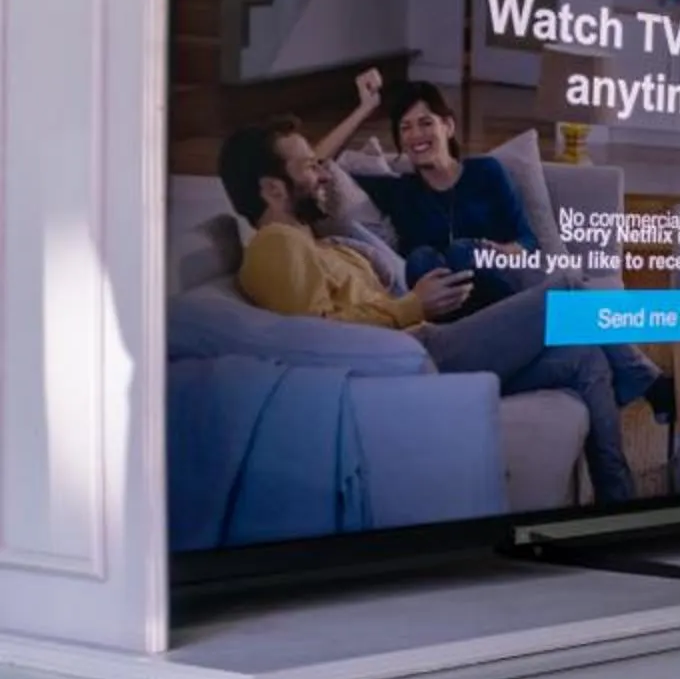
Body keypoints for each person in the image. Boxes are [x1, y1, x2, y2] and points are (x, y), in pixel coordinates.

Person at [216, 116, 641, 506]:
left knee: (584, 356)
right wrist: (412, 305)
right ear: (272, 189)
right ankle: (648, 380)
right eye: (309, 167)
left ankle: (617, 501)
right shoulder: (277, 245)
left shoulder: (313, 242)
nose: (323, 173)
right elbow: (318, 338)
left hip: (423, 347)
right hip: (409, 358)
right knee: (564, 289)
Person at [349, 80, 671, 423]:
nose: (415, 135)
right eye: (405, 128)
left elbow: (527, 239)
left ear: (449, 126)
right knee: (426, 261)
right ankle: (649, 382)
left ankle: (644, 384)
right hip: (457, 332)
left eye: (426, 123)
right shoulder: (400, 193)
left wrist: (506, 250)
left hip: (505, 296)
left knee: (467, 254)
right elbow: (321, 165)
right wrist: (364, 108)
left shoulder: (486, 173)